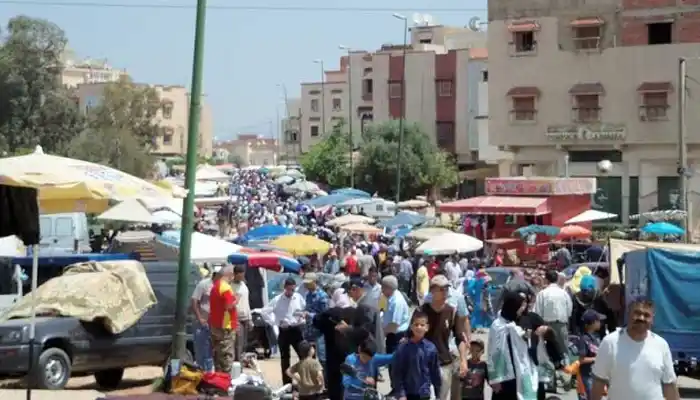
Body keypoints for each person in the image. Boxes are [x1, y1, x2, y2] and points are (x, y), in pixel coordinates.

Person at [591, 299, 679, 400]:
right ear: (628, 314)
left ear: (652, 319)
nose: (641, 318)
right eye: (637, 313)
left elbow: (669, 384)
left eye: (646, 315)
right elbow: (599, 381)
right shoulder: (610, 342)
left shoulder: (661, 345)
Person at [417, 275, 469, 400]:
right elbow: (410, 337)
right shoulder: (421, 311)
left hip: (444, 363)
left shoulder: (451, 311)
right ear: (432, 290)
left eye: (446, 288)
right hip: (424, 364)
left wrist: (463, 360)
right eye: (441, 289)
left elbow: (460, 337)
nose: (445, 292)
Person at [487, 291, 541, 400]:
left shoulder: (516, 323)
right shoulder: (498, 326)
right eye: (520, 306)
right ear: (512, 307)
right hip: (503, 377)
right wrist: (494, 379)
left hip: (518, 373)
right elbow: (493, 353)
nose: (522, 309)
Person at [392, 309, 442, 400]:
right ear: (411, 327)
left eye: (422, 325)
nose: (419, 327)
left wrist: (438, 393)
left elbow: (435, 372)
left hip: (425, 393)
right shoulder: (403, 348)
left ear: (427, 327)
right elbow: (397, 373)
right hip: (408, 393)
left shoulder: (431, 348)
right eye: (416, 324)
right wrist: (401, 394)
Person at [269, 277, 306, 384]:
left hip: (296, 329)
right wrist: (275, 322)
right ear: (285, 288)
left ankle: (304, 381)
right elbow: (265, 312)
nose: (291, 292)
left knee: (303, 356)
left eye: (293, 289)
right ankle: (287, 383)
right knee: (285, 359)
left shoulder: (298, 297)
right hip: (284, 331)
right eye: (289, 289)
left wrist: (301, 317)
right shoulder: (277, 299)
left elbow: (303, 308)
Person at [533, 269, 572, 359]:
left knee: (548, 350)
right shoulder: (563, 293)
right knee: (564, 349)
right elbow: (569, 309)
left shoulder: (542, 293)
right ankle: (567, 368)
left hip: (547, 325)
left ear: (546, 280)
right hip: (562, 324)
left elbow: (538, 312)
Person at [209, 265, 238, 373]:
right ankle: (225, 380)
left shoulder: (215, 286)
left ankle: (218, 380)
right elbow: (228, 306)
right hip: (226, 325)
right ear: (230, 275)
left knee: (217, 354)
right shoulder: (226, 287)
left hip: (215, 324)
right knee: (226, 355)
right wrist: (236, 301)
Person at [190, 267, 216, 372]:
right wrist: (199, 317)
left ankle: (209, 373)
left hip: (214, 323)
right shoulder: (203, 284)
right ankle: (201, 372)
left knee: (211, 350)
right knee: (201, 349)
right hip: (202, 322)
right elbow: (194, 300)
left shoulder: (222, 285)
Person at [302, 273, 330, 368]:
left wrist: (310, 315)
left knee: (322, 359)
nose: (306, 285)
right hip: (309, 331)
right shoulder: (308, 295)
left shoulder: (322, 296)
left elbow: (325, 314)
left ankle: (325, 380)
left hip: (320, 332)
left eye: (308, 283)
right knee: (309, 359)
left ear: (314, 282)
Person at [577, 309, 604, 400]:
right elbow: (581, 360)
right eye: (598, 321)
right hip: (587, 376)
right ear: (592, 323)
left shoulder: (596, 337)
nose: (600, 323)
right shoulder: (584, 339)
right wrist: (596, 359)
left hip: (596, 375)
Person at [381, 275, 411, 354]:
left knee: (393, 358)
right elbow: (381, 309)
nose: (381, 289)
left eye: (383, 287)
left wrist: (382, 334)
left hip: (397, 335)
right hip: (389, 332)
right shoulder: (386, 296)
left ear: (389, 288)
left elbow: (394, 324)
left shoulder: (397, 301)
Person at [231, 265, 251, 362]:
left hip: (245, 318)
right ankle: (237, 366)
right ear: (235, 274)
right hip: (236, 318)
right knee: (237, 344)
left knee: (243, 344)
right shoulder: (230, 286)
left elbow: (247, 302)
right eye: (240, 276)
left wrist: (250, 318)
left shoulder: (243, 285)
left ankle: (240, 365)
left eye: (243, 276)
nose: (242, 278)